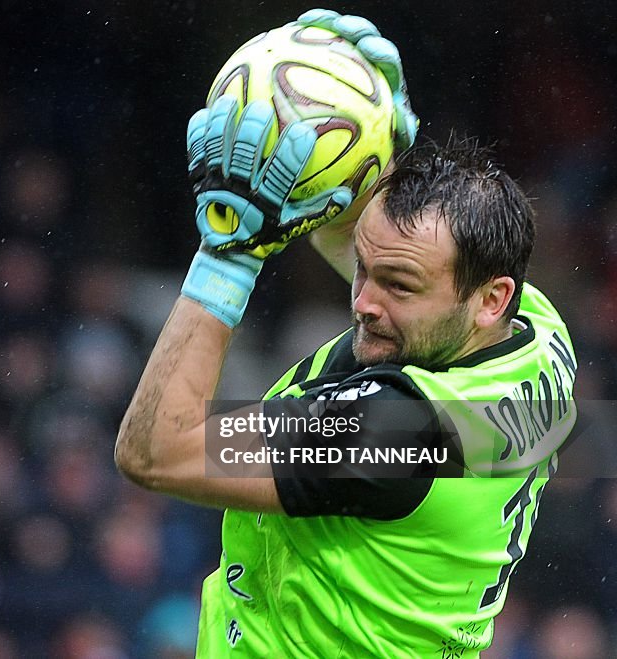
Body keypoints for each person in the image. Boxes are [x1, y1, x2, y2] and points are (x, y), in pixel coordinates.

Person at [114, 9, 578, 657]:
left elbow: (154, 451)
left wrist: (227, 255)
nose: (363, 302)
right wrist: (369, 148)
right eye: (369, 270)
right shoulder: (538, 327)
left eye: (400, 287)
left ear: (488, 299)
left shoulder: (393, 435)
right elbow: (379, 246)